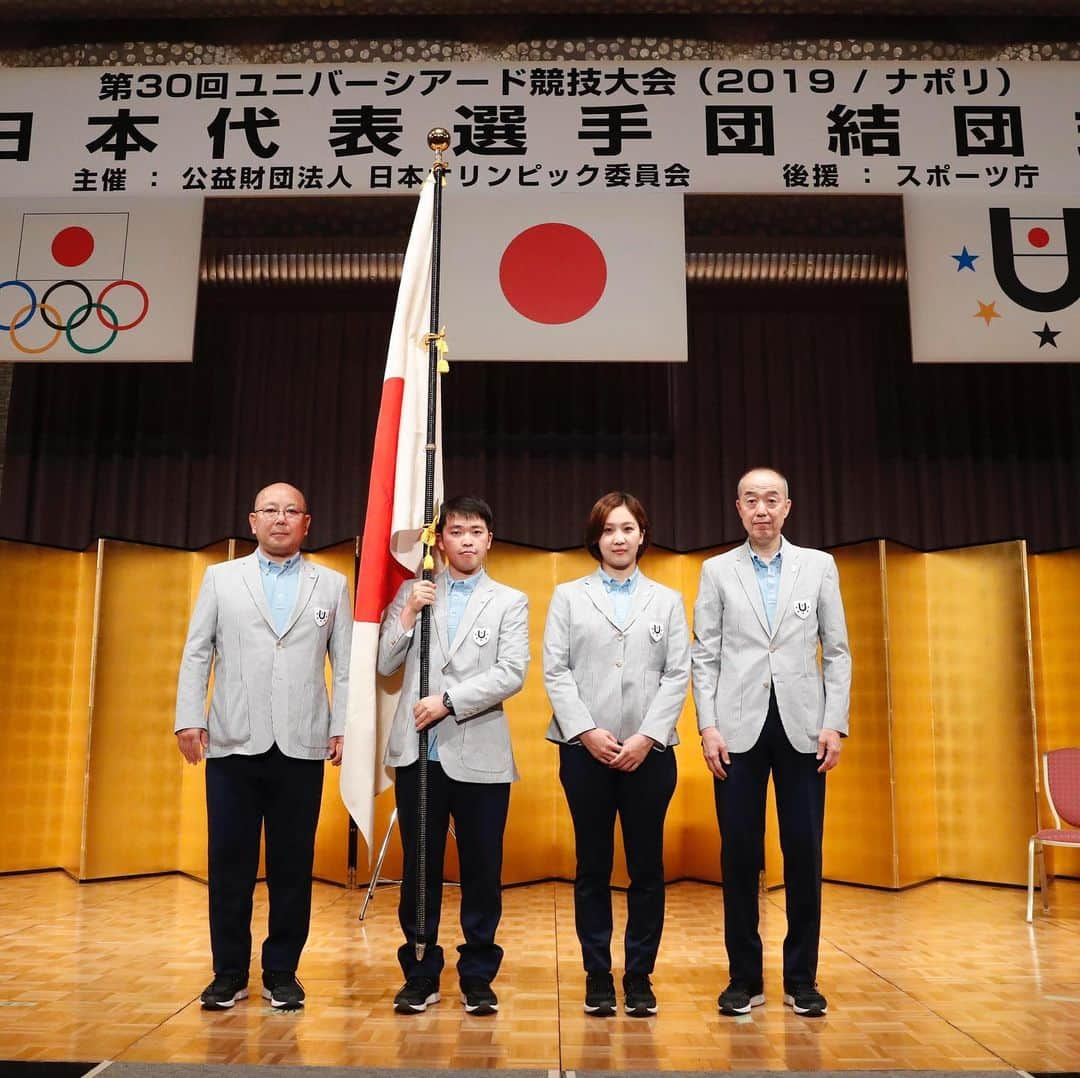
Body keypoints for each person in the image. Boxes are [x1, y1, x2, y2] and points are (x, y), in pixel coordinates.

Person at [175, 482, 351, 1012]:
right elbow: (196, 651)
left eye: (291, 511)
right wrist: (189, 717)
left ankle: (282, 972)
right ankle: (228, 973)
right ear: (252, 521)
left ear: (307, 522)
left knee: (292, 867)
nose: (281, 519)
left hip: (302, 744)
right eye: (270, 510)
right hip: (232, 742)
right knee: (229, 865)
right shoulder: (220, 578)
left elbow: (343, 667)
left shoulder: (334, 584)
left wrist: (341, 726)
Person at [691, 467, 851, 1019]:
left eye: (772, 500)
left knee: (804, 853)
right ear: (738, 508)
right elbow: (704, 654)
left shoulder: (819, 566)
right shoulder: (716, 571)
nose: (762, 509)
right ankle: (744, 978)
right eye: (751, 500)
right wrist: (707, 726)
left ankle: (802, 979)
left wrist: (835, 722)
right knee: (739, 854)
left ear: (788, 507)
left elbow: (837, 651)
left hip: (805, 729)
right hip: (736, 730)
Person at [378, 495, 529, 1016]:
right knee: (420, 869)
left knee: (482, 869)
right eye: (457, 531)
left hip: (480, 750)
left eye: (476, 531)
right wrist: (408, 614)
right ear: (439, 540)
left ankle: (478, 975)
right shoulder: (411, 591)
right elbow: (384, 663)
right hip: (418, 755)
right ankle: (420, 971)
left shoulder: (510, 601)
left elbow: (512, 672)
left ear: (490, 540)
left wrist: (448, 701)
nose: (466, 540)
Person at [543, 491, 690, 1018]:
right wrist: (585, 731)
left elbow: (678, 674)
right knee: (593, 865)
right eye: (609, 530)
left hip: (650, 754)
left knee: (647, 867)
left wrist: (648, 736)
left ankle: (640, 975)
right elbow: (555, 670)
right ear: (596, 538)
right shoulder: (568, 596)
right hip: (585, 753)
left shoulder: (668, 600)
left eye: (628, 528)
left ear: (642, 535)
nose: (619, 538)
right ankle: (597, 975)